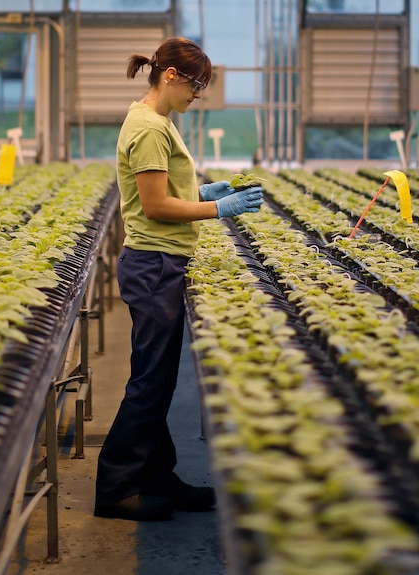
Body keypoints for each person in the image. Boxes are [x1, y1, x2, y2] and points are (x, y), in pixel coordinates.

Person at [94, 37, 264, 522]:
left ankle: (156, 475)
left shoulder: (156, 121)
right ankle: (115, 487)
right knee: (150, 381)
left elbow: (165, 189)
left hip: (160, 262)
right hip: (154, 265)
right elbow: (154, 206)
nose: (198, 95)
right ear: (170, 75)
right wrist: (216, 208)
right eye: (196, 84)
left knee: (159, 378)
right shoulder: (149, 127)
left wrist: (201, 189)